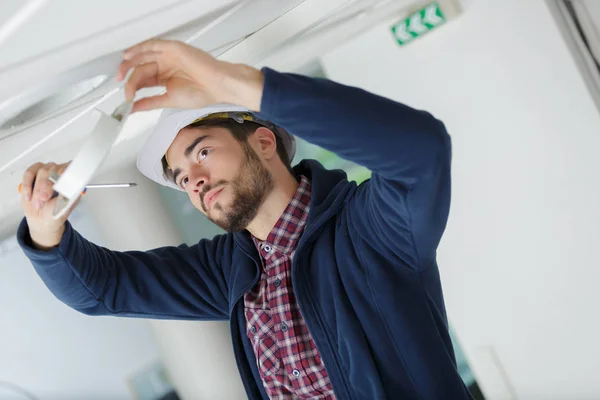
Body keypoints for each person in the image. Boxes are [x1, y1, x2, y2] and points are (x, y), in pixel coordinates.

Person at [17, 39, 471, 399]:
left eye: (203, 153)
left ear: (264, 143)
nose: (191, 180)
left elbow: (421, 151)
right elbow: (102, 289)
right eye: (179, 178)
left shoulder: (370, 230)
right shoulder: (227, 273)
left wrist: (230, 83)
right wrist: (45, 227)